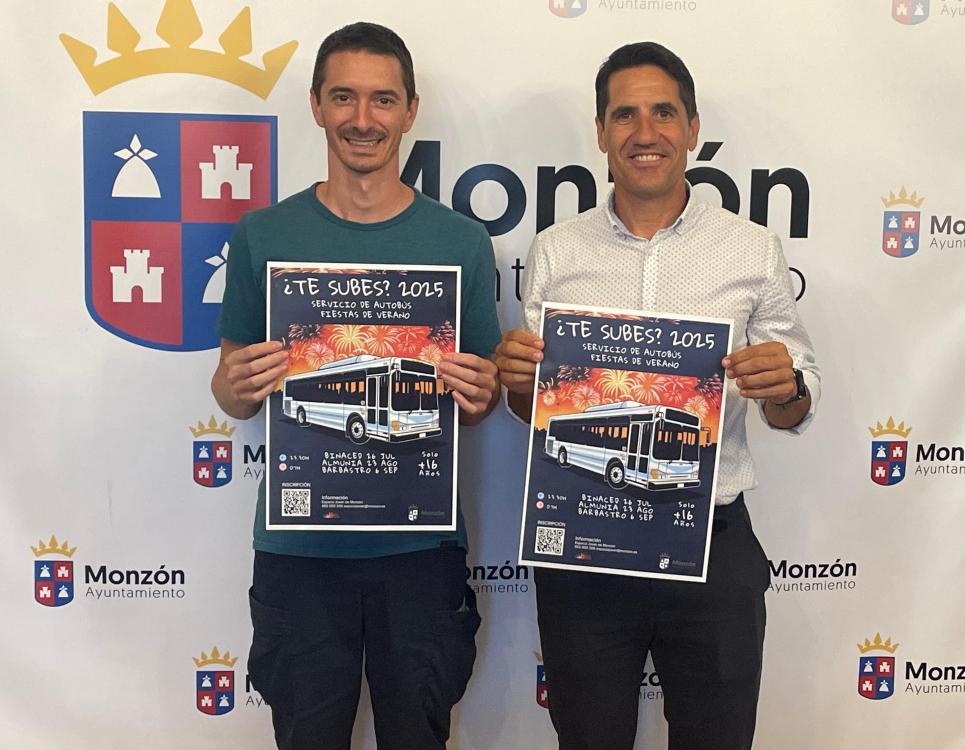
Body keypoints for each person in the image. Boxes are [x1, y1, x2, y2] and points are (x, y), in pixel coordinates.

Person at [495, 42, 820, 750]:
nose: (645, 133)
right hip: (587, 546)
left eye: (664, 113)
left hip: (712, 544)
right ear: (601, 131)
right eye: (625, 115)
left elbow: (792, 406)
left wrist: (786, 385)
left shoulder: (752, 249)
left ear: (693, 127)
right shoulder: (555, 251)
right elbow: (536, 410)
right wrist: (518, 385)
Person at [211, 22, 500, 750]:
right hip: (300, 554)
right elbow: (229, 392)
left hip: (421, 551)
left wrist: (480, 393)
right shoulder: (262, 234)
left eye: (382, 99)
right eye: (343, 97)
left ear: (410, 110)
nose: (362, 119)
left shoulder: (460, 242)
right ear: (316, 106)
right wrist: (238, 385)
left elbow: (476, 404)